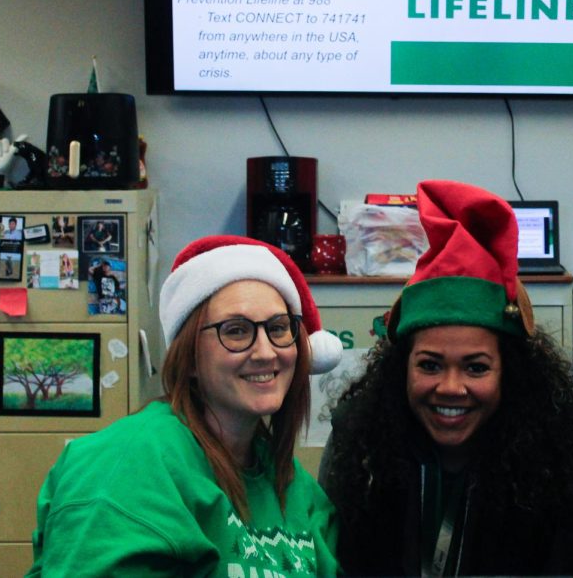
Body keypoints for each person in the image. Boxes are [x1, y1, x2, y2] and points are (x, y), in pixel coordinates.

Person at [319, 180, 573, 576]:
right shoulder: (359, 444)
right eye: (429, 365)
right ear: (401, 368)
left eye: (476, 367)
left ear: (510, 372)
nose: (450, 387)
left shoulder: (557, 452)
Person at [27, 235, 345, 576]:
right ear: (189, 357)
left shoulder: (294, 486)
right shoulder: (127, 466)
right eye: (236, 331)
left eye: (278, 328)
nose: (266, 352)